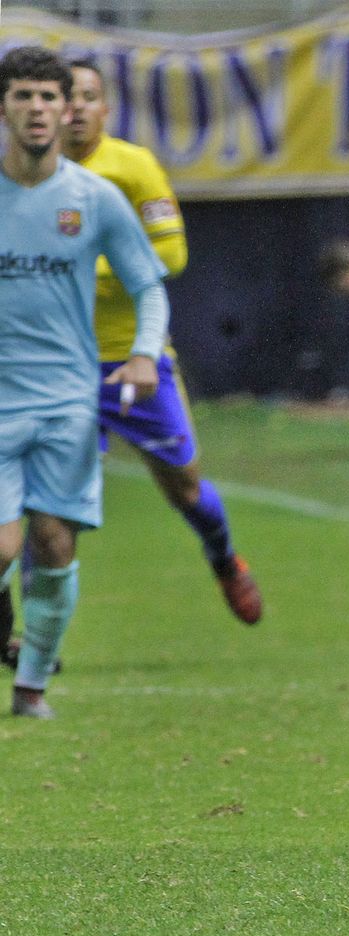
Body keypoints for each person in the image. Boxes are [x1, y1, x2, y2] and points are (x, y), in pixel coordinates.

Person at [0, 46, 168, 719]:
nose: (38, 109)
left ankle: (31, 685)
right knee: (3, 547)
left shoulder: (94, 199)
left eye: (49, 96)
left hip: (69, 398)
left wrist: (145, 355)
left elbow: (148, 285)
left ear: (65, 108)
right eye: (23, 96)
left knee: (53, 542)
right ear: (4, 108)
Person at [63, 56, 261, 624]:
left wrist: (88, 270)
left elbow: (171, 253)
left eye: (87, 96)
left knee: (184, 489)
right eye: (64, 96)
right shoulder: (29, 177)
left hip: (135, 360)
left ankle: (224, 558)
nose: (75, 107)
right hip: (60, 365)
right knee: (55, 510)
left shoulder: (131, 167)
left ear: (106, 108)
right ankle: (36, 648)